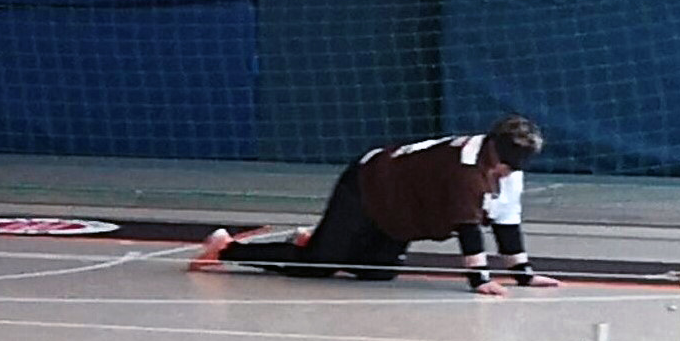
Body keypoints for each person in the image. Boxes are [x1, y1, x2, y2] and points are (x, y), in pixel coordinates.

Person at [187, 120, 555, 291]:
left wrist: (523, 274)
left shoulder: (507, 172)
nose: (507, 173)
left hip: (401, 209)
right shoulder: (464, 170)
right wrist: (481, 282)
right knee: (318, 268)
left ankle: (317, 240)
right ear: (493, 152)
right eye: (504, 164)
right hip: (369, 185)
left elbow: (507, 221)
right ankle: (226, 249)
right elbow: (468, 230)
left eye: (514, 167)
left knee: (376, 272)